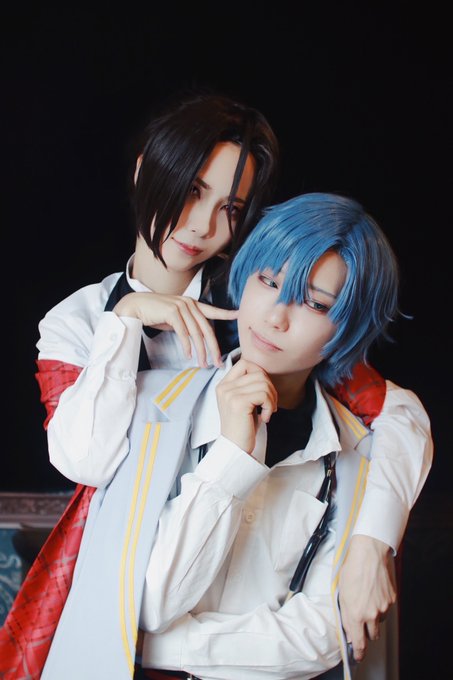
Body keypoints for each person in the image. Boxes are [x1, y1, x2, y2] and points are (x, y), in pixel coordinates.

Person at [0, 93, 431, 676]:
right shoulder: (79, 321)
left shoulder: (256, 302)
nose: (202, 226)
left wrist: (372, 543)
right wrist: (125, 322)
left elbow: (398, 414)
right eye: (191, 190)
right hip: (121, 562)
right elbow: (86, 461)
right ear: (145, 170)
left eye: (231, 208)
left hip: (252, 570)